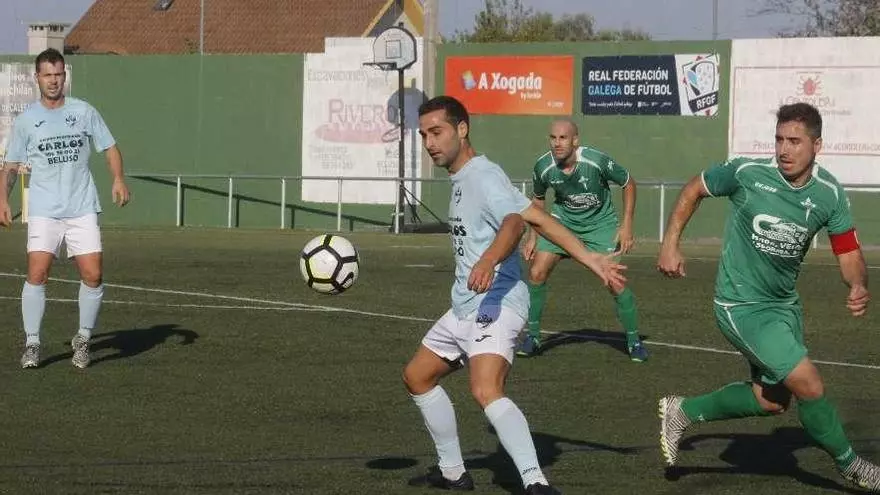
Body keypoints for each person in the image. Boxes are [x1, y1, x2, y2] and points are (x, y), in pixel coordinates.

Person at [403, 96, 627, 494]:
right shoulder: (468, 176)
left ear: (462, 129)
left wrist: (490, 259)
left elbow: (512, 224)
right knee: (418, 377)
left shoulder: (483, 176)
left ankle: (535, 482)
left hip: (498, 301)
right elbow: (538, 218)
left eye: (437, 132)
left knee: (485, 388)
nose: (430, 143)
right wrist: (591, 259)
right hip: (466, 303)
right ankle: (453, 473)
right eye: (424, 135)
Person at [656, 102, 880, 491]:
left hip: (783, 305)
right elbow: (695, 188)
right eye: (779, 140)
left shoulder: (829, 194)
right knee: (808, 383)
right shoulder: (747, 173)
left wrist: (858, 284)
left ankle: (683, 410)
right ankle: (854, 467)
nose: (784, 150)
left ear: (817, 145)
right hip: (739, 304)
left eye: (794, 141)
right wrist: (670, 243)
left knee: (771, 400)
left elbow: (848, 251)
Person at [0, 48, 131, 370]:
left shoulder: (83, 111)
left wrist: (118, 179)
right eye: (47, 75)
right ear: (37, 78)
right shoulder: (27, 120)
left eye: (58, 74)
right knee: (37, 273)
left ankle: (83, 339)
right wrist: (3, 198)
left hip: (82, 206)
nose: (53, 80)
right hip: (44, 209)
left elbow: (110, 147)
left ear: (64, 76)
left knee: (93, 275)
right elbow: (11, 165)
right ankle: (33, 343)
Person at [516, 119, 647, 362]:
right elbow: (538, 199)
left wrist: (627, 224)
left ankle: (634, 341)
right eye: (553, 138)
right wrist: (533, 236)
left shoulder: (595, 161)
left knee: (614, 281)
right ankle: (532, 337)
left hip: (601, 226)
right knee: (536, 272)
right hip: (562, 224)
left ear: (575, 141)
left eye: (563, 138)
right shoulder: (543, 166)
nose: (557, 143)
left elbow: (628, 182)